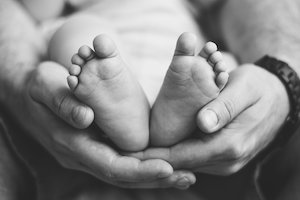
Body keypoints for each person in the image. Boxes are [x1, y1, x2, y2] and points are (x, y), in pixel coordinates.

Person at [0, 0, 300, 200]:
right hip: (110, 70)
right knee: (77, 34)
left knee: (228, 68)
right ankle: (133, 120)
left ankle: (156, 123)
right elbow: (37, 9)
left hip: (175, 76)